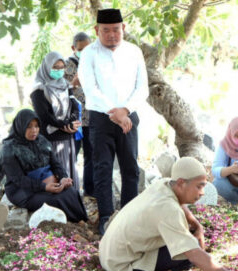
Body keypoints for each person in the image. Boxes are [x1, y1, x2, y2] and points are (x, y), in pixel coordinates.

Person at [99, 157, 238, 271]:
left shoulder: (164, 184)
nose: (202, 193)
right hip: (122, 270)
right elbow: (194, 253)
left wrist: (197, 226)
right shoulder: (168, 209)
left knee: (189, 237)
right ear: (181, 183)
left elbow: (180, 203)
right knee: (189, 253)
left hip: (110, 255)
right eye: (199, 186)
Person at [78, 8, 149, 234]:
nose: (111, 35)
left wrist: (125, 110)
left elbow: (142, 87)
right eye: (106, 30)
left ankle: (128, 217)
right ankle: (106, 219)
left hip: (129, 116)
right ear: (97, 30)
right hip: (101, 118)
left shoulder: (134, 51)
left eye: (116, 30)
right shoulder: (89, 53)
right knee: (102, 169)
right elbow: (90, 88)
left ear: (123, 29)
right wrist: (115, 112)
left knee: (131, 169)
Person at [0, 109, 88, 223]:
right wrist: (44, 187)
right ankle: (68, 228)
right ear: (20, 127)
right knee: (55, 200)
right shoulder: (9, 149)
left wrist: (63, 177)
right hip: (22, 190)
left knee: (71, 192)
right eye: (29, 127)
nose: (34, 130)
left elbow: (55, 164)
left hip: (45, 182)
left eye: (36, 126)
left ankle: (80, 223)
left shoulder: (42, 141)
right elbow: (19, 180)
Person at [30, 51, 81, 192]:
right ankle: (59, 205)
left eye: (61, 67)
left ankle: (73, 203)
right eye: (55, 67)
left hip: (68, 136)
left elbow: (74, 105)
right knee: (58, 171)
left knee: (70, 169)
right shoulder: (39, 89)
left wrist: (72, 122)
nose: (59, 71)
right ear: (46, 67)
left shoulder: (65, 84)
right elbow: (44, 115)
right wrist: (64, 125)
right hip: (51, 138)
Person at [64, 32, 94, 197]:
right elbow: (60, 90)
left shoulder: (96, 64)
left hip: (91, 120)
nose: (85, 52)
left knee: (91, 156)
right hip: (73, 121)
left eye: (88, 48)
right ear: (73, 48)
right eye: (81, 49)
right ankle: (71, 191)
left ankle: (89, 191)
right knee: (71, 156)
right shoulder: (65, 66)